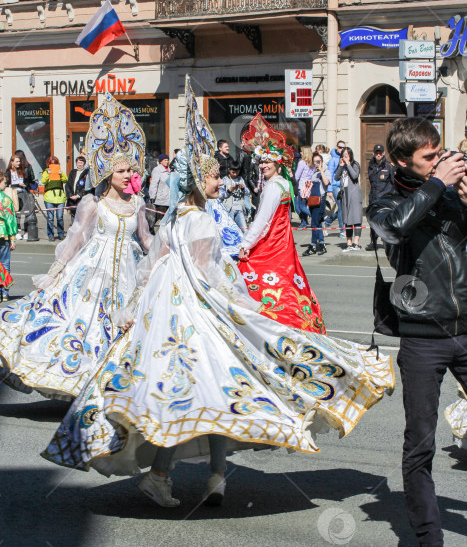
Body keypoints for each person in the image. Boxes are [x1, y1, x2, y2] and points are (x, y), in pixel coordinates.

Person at [42, 76, 395, 510]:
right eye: (212, 177)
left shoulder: (175, 219)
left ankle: (202, 476)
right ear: (197, 182)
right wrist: (248, 309)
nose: (219, 182)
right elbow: (213, 278)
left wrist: (131, 311)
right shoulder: (202, 221)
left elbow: (149, 267)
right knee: (209, 393)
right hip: (194, 321)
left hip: (166, 322)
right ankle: (183, 476)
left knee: (200, 398)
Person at [0, 93, 152, 401]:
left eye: (130, 171)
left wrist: (169, 252)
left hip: (130, 272)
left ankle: (117, 385)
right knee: (86, 326)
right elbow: (75, 239)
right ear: (108, 173)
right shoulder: (93, 203)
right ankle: (84, 382)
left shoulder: (137, 203)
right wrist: (53, 274)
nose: (127, 176)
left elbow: (147, 240)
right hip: (93, 273)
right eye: (121, 171)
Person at [367, 117, 467, 547]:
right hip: (422, 336)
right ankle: (430, 542)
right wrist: (437, 187)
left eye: (440, 152)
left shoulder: (447, 192)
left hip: (465, 327)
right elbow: (396, 231)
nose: (440, 160)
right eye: (430, 156)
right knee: (420, 444)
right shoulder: (386, 198)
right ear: (403, 160)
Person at [238, 113, 325, 333]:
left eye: (268, 161)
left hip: (272, 245)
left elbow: (262, 220)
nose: (263, 165)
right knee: (287, 282)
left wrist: (246, 245)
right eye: (261, 161)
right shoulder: (284, 184)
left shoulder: (274, 187)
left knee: (249, 277)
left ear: (278, 163)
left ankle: (269, 327)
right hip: (283, 243)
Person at [366, 144, 395, 251]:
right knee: (372, 221)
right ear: (373, 153)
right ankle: (373, 241)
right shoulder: (371, 165)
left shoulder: (389, 166)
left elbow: (393, 183)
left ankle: (387, 242)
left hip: (385, 199)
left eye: (380, 152)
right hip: (373, 198)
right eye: (376, 152)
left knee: (385, 222)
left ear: (383, 153)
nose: (378, 154)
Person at [334, 147, 362, 252]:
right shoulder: (342, 166)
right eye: (343, 154)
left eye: (347, 154)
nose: (345, 156)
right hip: (344, 194)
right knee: (347, 219)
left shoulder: (355, 164)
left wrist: (348, 164)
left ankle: (356, 243)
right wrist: (341, 166)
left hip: (354, 194)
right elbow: (336, 177)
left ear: (350, 155)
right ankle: (349, 243)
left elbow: (355, 176)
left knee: (356, 218)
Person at [303, 152, 331, 256]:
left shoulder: (326, 172)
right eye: (315, 162)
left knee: (314, 224)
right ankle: (322, 244)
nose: (316, 163)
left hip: (320, 200)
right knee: (318, 223)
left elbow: (326, 182)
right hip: (312, 200)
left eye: (318, 161)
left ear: (322, 162)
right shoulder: (314, 174)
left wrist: (322, 171)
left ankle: (313, 245)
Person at [40, 157, 68, 242]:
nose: (53, 165)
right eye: (51, 163)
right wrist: (48, 174)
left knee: (60, 217)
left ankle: (60, 234)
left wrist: (61, 174)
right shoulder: (46, 172)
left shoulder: (60, 172)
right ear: (48, 164)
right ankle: (51, 234)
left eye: (55, 163)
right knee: (50, 217)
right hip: (49, 198)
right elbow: (43, 182)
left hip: (59, 197)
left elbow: (65, 179)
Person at [5, 155, 31, 240]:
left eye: (19, 161)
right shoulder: (8, 172)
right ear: (12, 162)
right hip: (14, 193)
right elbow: (7, 184)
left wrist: (25, 185)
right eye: (16, 161)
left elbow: (27, 181)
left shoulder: (21, 171)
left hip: (23, 192)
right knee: (16, 213)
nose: (18, 163)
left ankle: (26, 232)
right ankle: (17, 231)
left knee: (26, 212)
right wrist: (17, 184)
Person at [0, 170, 17, 301]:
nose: (5, 185)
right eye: (4, 182)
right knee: (5, 263)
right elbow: (10, 220)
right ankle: (4, 292)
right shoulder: (6, 200)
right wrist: (12, 238)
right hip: (4, 233)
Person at [325, 139, 346, 237]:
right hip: (335, 186)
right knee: (341, 207)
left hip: (343, 186)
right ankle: (342, 231)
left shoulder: (345, 158)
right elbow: (329, 175)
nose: (341, 149)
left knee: (340, 208)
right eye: (340, 147)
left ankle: (326, 222)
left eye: (343, 147)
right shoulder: (332, 160)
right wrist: (329, 190)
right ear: (337, 147)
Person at [222, 160, 248, 232]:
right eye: (233, 172)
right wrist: (229, 190)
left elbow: (247, 192)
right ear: (229, 170)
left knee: (245, 230)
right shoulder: (224, 180)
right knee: (230, 230)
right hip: (229, 208)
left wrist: (243, 188)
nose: (235, 174)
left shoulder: (240, 179)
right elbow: (220, 195)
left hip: (240, 208)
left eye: (237, 172)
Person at [147, 153, 170, 233]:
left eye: (167, 160)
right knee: (159, 219)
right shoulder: (157, 170)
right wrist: (152, 196)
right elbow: (154, 183)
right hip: (161, 199)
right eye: (165, 160)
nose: (167, 162)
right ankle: (154, 233)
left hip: (169, 199)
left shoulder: (170, 170)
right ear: (161, 161)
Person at [294, 146, 315, 229]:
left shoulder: (302, 162)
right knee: (304, 204)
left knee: (300, 206)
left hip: (302, 186)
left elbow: (297, 175)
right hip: (309, 185)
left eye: (302, 151)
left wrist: (293, 183)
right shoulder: (312, 163)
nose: (300, 153)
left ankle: (316, 217)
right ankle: (303, 222)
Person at [65, 155, 90, 222]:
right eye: (78, 162)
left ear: (84, 164)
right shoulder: (73, 172)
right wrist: (70, 195)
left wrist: (79, 195)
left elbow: (87, 187)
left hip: (81, 199)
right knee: (73, 219)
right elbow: (68, 185)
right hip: (72, 200)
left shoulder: (87, 173)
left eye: (81, 163)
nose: (79, 164)